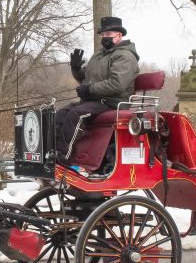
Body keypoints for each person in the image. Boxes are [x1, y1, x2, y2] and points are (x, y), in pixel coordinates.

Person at [56, 16, 140, 163]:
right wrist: (75, 69)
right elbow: (86, 79)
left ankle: (63, 156)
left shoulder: (125, 56)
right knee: (61, 114)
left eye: (108, 35)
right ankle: (51, 151)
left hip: (113, 101)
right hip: (95, 100)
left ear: (119, 35)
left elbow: (117, 84)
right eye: (102, 35)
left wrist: (89, 90)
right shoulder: (98, 55)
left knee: (77, 114)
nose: (104, 38)